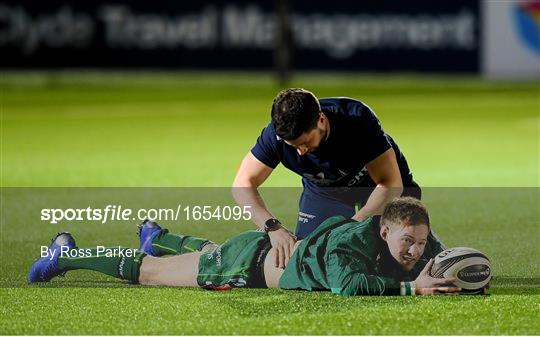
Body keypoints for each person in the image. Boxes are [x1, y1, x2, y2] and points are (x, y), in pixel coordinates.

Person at [28, 197, 460, 296]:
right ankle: (66, 253)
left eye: (421, 243)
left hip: (254, 253)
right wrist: (411, 288)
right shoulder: (350, 244)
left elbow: (440, 257)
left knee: (205, 252)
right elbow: (347, 285)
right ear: (384, 231)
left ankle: (160, 238)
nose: (415, 252)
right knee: (150, 273)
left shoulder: (415, 234)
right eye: (409, 243)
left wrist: (461, 271)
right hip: (247, 266)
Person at [232, 88, 422, 269]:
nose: (301, 151)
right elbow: (242, 184)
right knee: (311, 259)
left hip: (377, 185)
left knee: (400, 257)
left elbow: (390, 183)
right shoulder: (275, 136)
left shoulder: (356, 119)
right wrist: (272, 227)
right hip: (325, 190)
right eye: (293, 146)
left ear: (321, 120)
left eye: (305, 142)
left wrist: (354, 226)